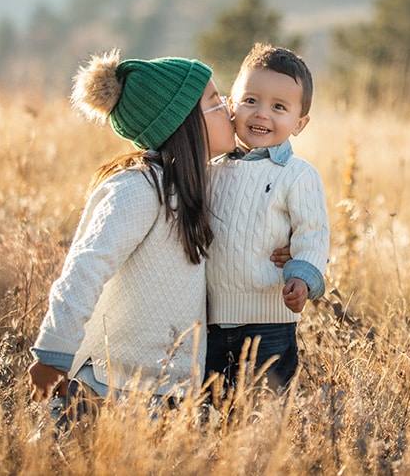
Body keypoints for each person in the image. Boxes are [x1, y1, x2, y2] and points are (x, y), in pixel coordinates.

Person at [26, 50, 236, 418]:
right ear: (183, 121)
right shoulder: (138, 187)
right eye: (216, 102)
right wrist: (53, 353)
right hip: (106, 389)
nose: (230, 109)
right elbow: (87, 265)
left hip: (167, 394)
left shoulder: (200, 186)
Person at [204, 43, 330, 393]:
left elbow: (313, 235)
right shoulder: (211, 169)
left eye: (279, 107)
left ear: (299, 123)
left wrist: (303, 278)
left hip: (270, 319)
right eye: (251, 101)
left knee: (259, 411)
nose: (262, 114)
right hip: (211, 319)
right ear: (231, 105)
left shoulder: (297, 174)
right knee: (210, 408)